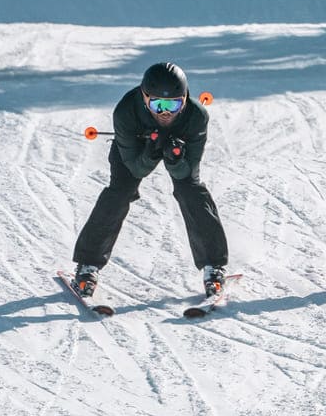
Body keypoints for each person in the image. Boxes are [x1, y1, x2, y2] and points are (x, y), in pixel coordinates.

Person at [72, 62, 229, 298]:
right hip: (135, 149)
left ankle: (213, 266)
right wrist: (151, 151)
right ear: (144, 98)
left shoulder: (196, 117)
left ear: (185, 99)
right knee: (120, 192)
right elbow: (136, 168)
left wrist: (175, 158)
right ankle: (87, 265)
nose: (165, 113)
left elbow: (187, 173)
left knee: (192, 191)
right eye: (157, 104)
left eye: (174, 104)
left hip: (179, 151)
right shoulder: (126, 111)